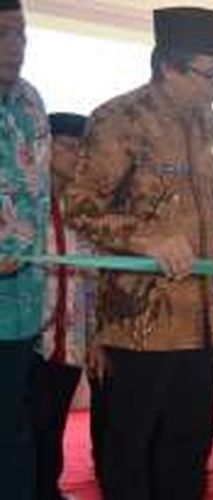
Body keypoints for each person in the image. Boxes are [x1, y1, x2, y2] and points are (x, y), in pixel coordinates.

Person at [66, 7, 213, 499]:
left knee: (187, 454)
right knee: (129, 453)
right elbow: (78, 204)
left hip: (202, 327)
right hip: (135, 329)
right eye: (208, 72)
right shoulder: (119, 119)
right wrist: (144, 239)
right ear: (168, 65)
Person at [0, 2, 52, 499]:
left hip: (19, 307)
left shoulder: (31, 101)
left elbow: (38, 196)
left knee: (14, 427)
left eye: (21, 34)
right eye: (2, 34)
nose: (14, 46)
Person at [31, 112, 91, 500]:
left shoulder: (84, 212)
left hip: (70, 340)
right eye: (70, 147)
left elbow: (93, 278)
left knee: (53, 423)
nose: (78, 156)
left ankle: (47, 488)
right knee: (27, 424)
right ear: (47, 147)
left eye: (82, 149)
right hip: (29, 336)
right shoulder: (26, 203)